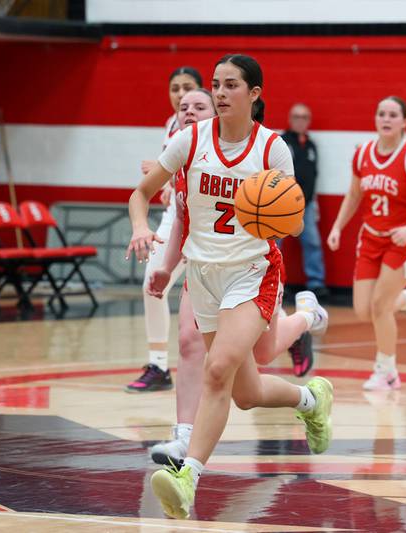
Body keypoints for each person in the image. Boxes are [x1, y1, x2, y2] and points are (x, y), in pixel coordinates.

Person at [128, 54, 334, 520]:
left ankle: (187, 476)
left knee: (217, 369)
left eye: (231, 85)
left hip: (252, 271)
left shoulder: (272, 149)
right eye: (216, 84)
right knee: (246, 392)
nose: (220, 93)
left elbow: (293, 223)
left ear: (254, 94)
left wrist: (274, 212)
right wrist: (142, 229)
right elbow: (142, 194)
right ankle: (310, 398)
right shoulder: (189, 140)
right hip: (203, 275)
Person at [327, 96, 406, 391]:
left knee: (380, 306)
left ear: (404, 121)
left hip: (402, 239)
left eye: (392, 115)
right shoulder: (362, 154)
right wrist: (338, 226)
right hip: (370, 237)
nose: (386, 119)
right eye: (381, 114)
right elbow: (354, 195)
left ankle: (387, 372)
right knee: (363, 310)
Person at [126, 66, 203, 393]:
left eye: (188, 88)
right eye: (175, 89)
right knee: (153, 285)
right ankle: (158, 364)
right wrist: (169, 183)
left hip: (208, 219)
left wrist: (166, 177)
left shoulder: (212, 129)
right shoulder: (172, 124)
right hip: (177, 217)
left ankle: (292, 327)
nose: (181, 94)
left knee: (228, 299)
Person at [280, 103, 325, 377]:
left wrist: (314, 202)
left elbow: (313, 176)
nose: (300, 120)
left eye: (304, 117)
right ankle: (276, 284)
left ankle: (317, 284)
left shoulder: (312, 145)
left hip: (307, 205)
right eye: (296, 116)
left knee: (313, 243)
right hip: (282, 203)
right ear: (290, 118)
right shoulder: (282, 142)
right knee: (275, 245)